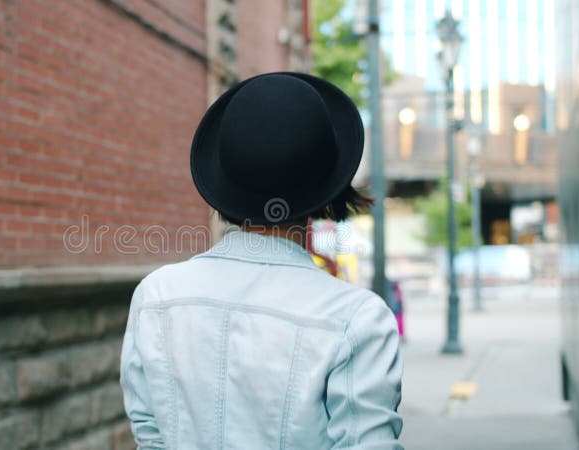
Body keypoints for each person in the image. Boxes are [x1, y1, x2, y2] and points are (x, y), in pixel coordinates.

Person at [120, 73, 403, 449]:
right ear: (328, 186)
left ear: (226, 179)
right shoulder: (357, 319)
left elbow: (151, 438)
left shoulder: (155, 296)